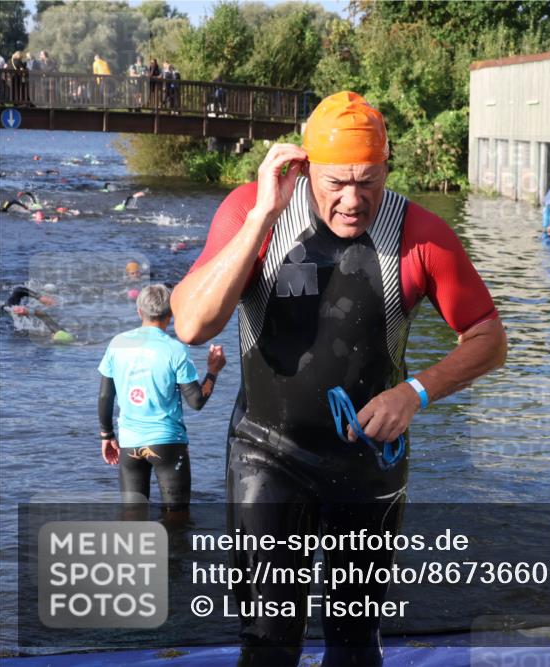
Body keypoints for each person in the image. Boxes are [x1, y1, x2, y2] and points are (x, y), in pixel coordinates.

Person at [170, 91, 507, 667]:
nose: (353, 201)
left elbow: (489, 339)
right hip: (266, 455)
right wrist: (261, 219)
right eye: (335, 183)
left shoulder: (419, 233)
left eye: (368, 181)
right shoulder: (252, 212)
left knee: (355, 646)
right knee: (269, 645)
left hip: (368, 466)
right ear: (304, 168)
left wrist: (415, 392)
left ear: (387, 168)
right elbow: (193, 325)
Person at [98, 284, 226, 515]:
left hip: (130, 444)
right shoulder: (175, 350)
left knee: (133, 516)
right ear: (171, 314)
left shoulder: (117, 344)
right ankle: (175, 551)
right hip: (167, 444)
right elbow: (196, 401)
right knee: (177, 518)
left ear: (139, 312)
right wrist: (213, 370)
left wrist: (107, 435)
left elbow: (106, 395)